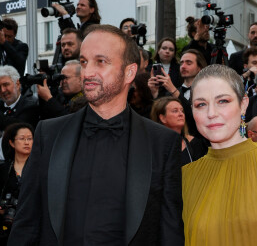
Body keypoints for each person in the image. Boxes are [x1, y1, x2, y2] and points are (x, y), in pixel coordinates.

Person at [8, 24, 184, 246]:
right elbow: (26, 224)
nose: (88, 72)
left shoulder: (162, 143)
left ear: (129, 72)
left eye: (101, 61)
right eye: (84, 62)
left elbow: (170, 232)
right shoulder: (48, 134)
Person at [182, 64, 257, 246]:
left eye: (223, 101)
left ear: (243, 104)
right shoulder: (185, 176)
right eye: (201, 104)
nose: (211, 113)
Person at [148, 49, 206, 137]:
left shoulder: (206, 91)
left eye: (188, 63)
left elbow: (195, 116)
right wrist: (155, 93)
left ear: (199, 68)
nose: (183, 66)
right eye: (181, 63)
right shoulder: (171, 92)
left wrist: (174, 91)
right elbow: (160, 117)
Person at [0, 123, 34, 245]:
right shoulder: (3, 169)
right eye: (22, 138)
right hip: (5, 228)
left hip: (32, 225)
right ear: (11, 143)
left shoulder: (41, 169)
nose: (26, 142)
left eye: (30, 138)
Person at [150, 96, 207, 166]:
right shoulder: (151, 147)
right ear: (163, 118)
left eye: (182, 110)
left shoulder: (194, 144)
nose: (181, 114)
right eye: (175, 111)